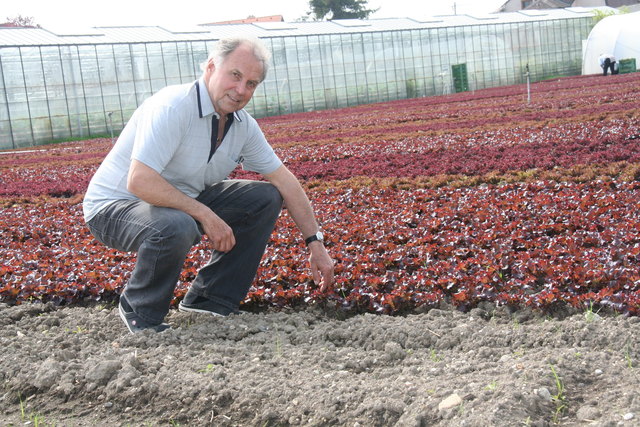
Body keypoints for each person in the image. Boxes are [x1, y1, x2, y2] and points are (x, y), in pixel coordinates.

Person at [82, 36, 335, 333]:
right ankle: (140, 310)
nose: (241, 90)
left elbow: (286, 182)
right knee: (176, 224)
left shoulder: (242, 125)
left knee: (265, 197)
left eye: (251, 84)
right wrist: (205, 214)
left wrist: (315, 243)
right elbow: (140, 181)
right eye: (235, 76)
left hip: (180, 202)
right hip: (115, 208)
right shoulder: (173, 106)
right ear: (212, 67)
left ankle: (208, 299)